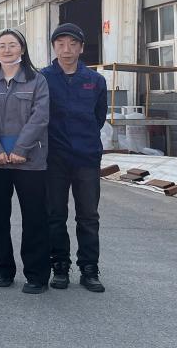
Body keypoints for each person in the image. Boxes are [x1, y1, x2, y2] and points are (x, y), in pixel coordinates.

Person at [0, 28, 51, 294]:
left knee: (34, 218)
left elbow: (40, 117)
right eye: (2, 45)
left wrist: (21, 148)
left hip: (30, 160)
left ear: (22, 48)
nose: (7, 49)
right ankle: (3, 270)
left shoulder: (37, 81)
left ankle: (36, 275)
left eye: (12, 44)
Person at [42, 23, 108, 293]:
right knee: (55, 214)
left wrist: (84, 142)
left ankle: (89, 269)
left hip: (86, 157)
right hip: (54, 158)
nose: (66, 49)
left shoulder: (95, 80)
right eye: (60, 44)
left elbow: (99, 117)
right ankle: (59, 266)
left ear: (81, 48)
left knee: (88, 216)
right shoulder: (43, 78)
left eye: (72, 44)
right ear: (54, 47)